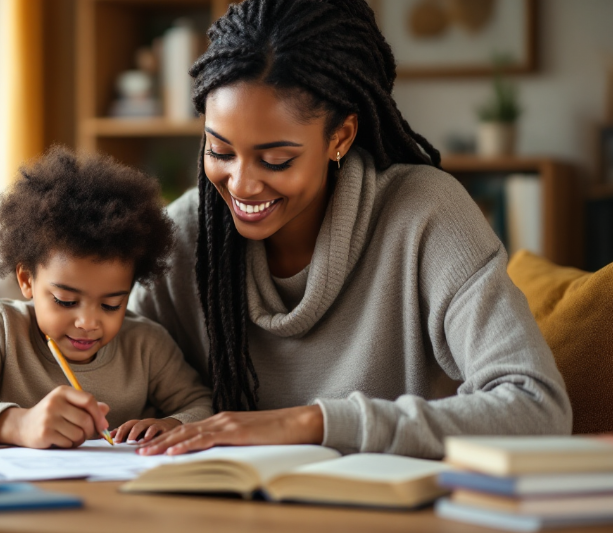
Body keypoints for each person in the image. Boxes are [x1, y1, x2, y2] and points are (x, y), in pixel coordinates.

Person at [130, 0, 572, 459]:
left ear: (340, 137)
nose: (240, 183)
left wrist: (312, 422)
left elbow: (538, 408)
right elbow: (105, 379)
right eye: (220, 151)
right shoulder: (183, 237)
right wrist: (54, 412)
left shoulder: (425, 215)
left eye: (276, 160)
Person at [0, 147, 212, 449]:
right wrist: (17, 424)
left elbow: (201, 404)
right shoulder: (3, 329)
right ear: (26, 280)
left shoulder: (147, 345)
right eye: (65, 300)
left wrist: (176, 423)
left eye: (111, 305)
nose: (88, 322)